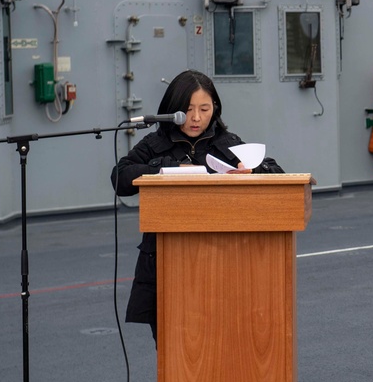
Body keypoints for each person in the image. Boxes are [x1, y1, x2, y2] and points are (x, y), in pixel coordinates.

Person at [110, 69, 283, 343]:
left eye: (205, 108)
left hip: (221, 261)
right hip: (166, 262)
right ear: (173, 109)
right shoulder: (155, 144)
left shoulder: (227, 143)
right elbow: (120, 177)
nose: (196, 118)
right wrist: (169, 167)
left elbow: (277, 173)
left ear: (215, 108)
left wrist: (254, 170)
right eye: (188, 109)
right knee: (173, 348)